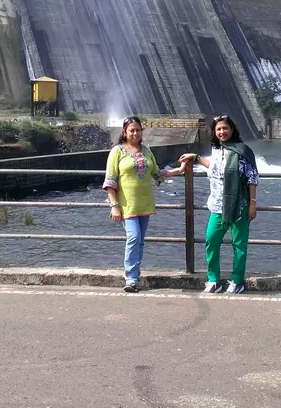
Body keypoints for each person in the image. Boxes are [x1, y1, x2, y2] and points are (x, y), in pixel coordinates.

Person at [104, 116, 186, 293]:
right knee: (133, 238)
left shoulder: (147, 151)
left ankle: (135, 277)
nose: (135, 133)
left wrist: (178, 170)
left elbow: (157, 173)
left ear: (142, 131)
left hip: (144, 203)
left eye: (138, 130)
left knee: (139, 241)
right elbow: (110, 181)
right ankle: (130, 278)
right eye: (131, 130)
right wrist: (114, 205)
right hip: (126, 205)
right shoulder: (117, 151)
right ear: (125, 132)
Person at [179, 114, 259, 294]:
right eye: (219, 129)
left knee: (239, 245)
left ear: (232, 129)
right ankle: (214, 280)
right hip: (217, 205)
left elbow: (252, 178)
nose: (222, 132)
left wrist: (253, 204)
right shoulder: (216, 149)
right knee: (211, 240)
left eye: (225, 128)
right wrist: (196, 157)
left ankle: (237, 281)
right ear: (214, 132)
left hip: (239, 206)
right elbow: (214, 167)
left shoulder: (242, 151)